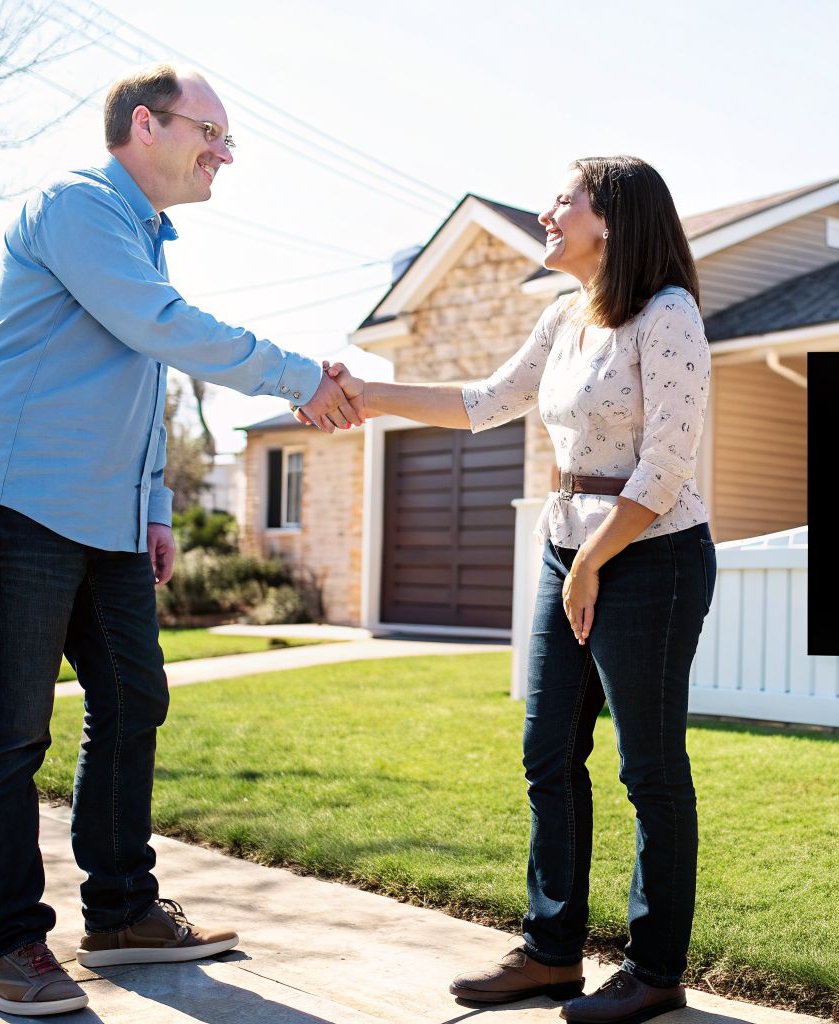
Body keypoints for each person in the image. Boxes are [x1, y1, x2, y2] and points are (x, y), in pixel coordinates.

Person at [0, 63, 360, 1017]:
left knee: (134, 700)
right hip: (19, 499)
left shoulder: (142, 237)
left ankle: (121, 913)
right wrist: (297, 376)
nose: (224, 154)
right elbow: (156, 325)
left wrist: (154, 505)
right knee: (11, 727)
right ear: (143, 125)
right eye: (212, 132)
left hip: (107, 517)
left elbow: (139, 367)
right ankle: (5, 945)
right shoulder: (78, 205)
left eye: (228, 140)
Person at [324, 155, 715, 1024]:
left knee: (649, 769)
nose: (548, 211)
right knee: (547, 753)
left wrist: (592, 562)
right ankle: (551, 954)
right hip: (570, 543)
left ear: (609, 219)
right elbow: (483, 401)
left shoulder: (669, 313)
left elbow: (668, 461)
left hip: (653, 553)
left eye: (564, 198)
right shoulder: (565, 316)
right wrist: (367, 394)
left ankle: (655, 971)